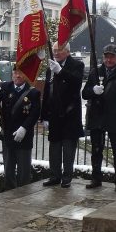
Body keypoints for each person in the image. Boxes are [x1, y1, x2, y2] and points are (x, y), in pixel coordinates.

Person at [81, 44, 116, 192]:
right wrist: (93, 90)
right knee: (96, 151)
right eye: (106, 56)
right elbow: (84, 93)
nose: (109, 59)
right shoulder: (95, 73)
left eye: (112, 56)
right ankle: (96, 178)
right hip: (97, 118)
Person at [40, 42, 85, 188]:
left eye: (59, 50)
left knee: (68, 149)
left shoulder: (77, 65)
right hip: (54, 115)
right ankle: (54, 175)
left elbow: (76, 83)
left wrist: (61, 71)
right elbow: (47, 93)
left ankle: (67, 176)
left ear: (67, 51)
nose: (56, 53)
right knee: (54, 149)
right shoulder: (51, 68)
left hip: (69, 114)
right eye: (54, 50)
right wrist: (44, 116)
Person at [0, 69, 41, 189]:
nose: (17, 76)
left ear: (25, 75)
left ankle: (23, 196)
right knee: (8, 170)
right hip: (8, 135)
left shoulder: (33, 93)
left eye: (21, 73)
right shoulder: (5, 87)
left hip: (24, 137)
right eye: (15, 73)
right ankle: (9, 195)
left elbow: (35, 113)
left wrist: (24, 128)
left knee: (24, 171)